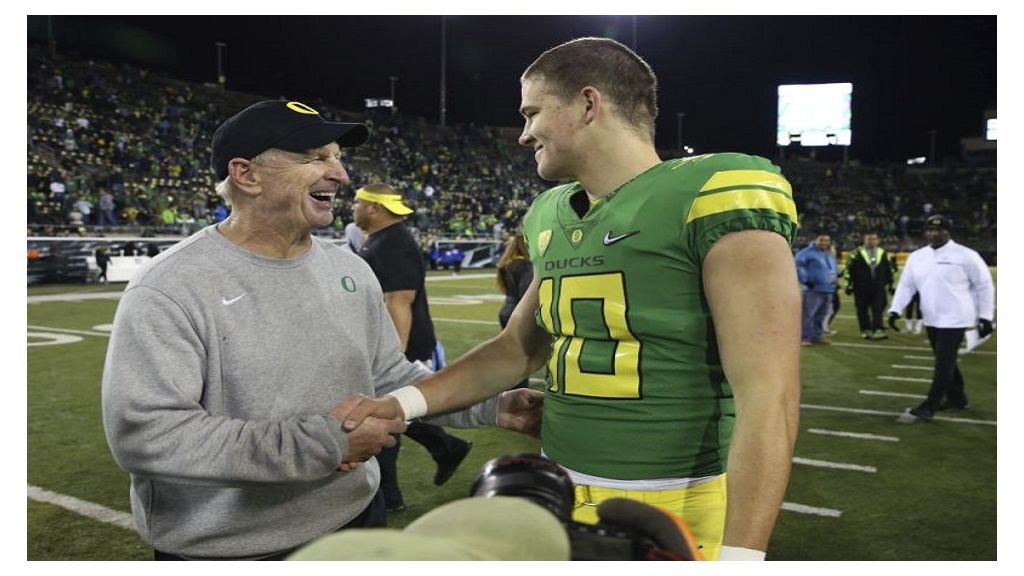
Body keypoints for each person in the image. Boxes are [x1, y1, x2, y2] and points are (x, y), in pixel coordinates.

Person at [339, 37, 801, 561]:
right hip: (559, 484)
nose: (523, 134)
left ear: (588, 103)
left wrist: (741, 559)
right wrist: (399, 404)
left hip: (676, 499)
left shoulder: (715, 191)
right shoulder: (550, 213)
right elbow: (516, 348)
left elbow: (770, 396)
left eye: (531, 112)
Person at [101, 100, 533, 561]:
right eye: (315, 157)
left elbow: (389, 378)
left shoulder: (350, 269)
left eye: (338, 157)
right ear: (246, 175)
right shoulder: (170, 286)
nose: (340, 174)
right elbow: (147, 435)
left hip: (357, 520)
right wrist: (326, 444)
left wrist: (492, 405)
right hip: (234, 549)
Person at [352, 183, 472, 513]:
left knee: (382, 413)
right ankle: (445, 448)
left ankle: (389, 496)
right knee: (390, 411)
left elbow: (400, 300)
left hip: (401, 345)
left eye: (358, 202)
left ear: (374, 207)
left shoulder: (392, 243)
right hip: (391, 344)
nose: (352, 207)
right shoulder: (383, 240)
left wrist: (395, 355)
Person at [888, 215, 994, 423]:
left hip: (956, 318)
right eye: (930, 230)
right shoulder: (917, 257)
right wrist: (895, 310)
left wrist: (986, 317)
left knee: (943, 362)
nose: (935, 234)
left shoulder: (966, 255)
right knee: (946, 360)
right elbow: (906, 285)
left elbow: (984, 286)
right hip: (931, 317)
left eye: (940, 230)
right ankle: (957, 398)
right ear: (925, 232)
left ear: (948, 232)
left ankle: (930, 406)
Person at [496, 233, 534, 389]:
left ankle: (507, 385)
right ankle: (518, 388)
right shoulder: (525, 265)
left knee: (510, 353)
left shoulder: (506, 264)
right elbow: (525, 292)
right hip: (518, 312)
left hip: (506, 309)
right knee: (522, 355)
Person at [843, 232, 897, 339]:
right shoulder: (856, 252)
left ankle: (878, 329)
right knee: (862, 308)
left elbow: (889, 269)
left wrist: (891, 284)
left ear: (878, 240)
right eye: (869, 239)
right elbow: (849, 269)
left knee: (878, 308)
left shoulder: (883, 252)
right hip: (861, 287)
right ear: (864, 240)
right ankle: (865, 329)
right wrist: (848, 284)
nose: (872, 241)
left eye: (874, 239)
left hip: (878, 286)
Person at [795, 234, 838, 345]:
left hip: (828, 289)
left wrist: (835, 280)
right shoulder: (806, 253)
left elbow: (832, 269)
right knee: (808, 315)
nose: (824, 243)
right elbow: (798, 266)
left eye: (827, 240)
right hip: (813, 288)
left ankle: (816, 337)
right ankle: (804, 337)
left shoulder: (828, 253)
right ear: (815, 240)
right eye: (821, 240)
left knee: (821, 315)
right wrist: (806, 280)